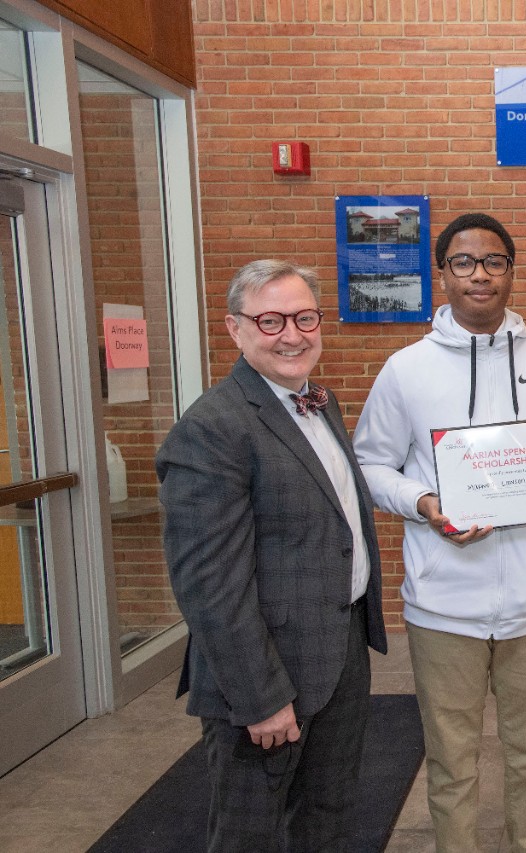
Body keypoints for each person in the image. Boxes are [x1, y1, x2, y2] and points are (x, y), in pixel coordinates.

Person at [354, 213, 526, 853]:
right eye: (463, 262)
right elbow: (370, 465)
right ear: (442, 273)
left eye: (493, 262)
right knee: (452, 763)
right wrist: (424, 501)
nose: (478, 274)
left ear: (512, 272)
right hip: (443, 606)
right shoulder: (406, 370)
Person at [156, 259, 387, 850]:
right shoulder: (212, 428)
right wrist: (261, 698)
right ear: (235, 330)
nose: (292, 333)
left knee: (328, 818)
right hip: (267, 676)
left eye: (304, 317)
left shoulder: (317, 401)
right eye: (271, 320)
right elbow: (210, 586)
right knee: (249, 835)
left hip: (338, 652)